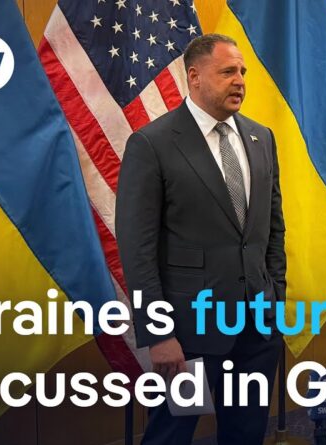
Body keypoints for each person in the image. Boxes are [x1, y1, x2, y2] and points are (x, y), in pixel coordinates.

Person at [116, 34, 285, 445]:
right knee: (171, 434)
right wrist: (158, 333)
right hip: (187, 332)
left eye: (242, 71)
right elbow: (137, 250)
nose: (240, 80)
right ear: (194, 76)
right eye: (227, 71)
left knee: (246, 433)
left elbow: (273, 230)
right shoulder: (152, 144)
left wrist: (276, 301)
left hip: (256, 328)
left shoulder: (261, 137)